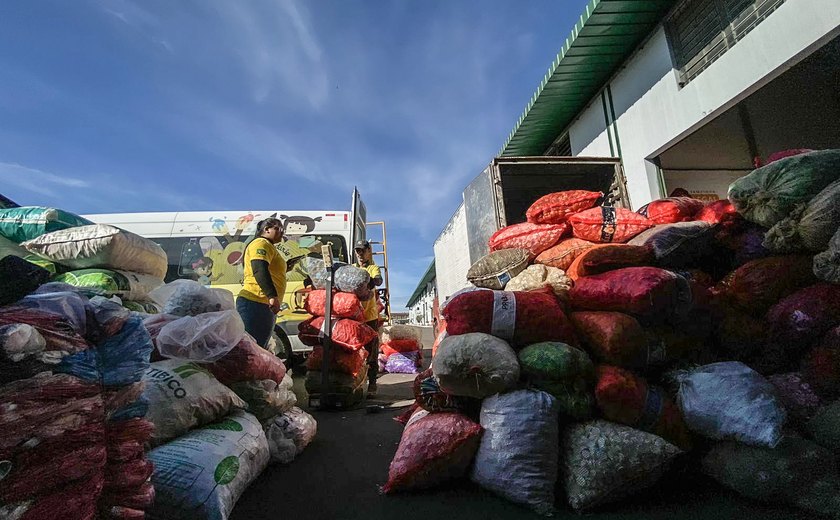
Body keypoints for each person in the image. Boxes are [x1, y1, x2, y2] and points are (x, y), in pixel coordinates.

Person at [236, 218, 286, 349]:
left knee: (257, 349)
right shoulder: (261, 243)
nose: (282, 232)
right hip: (255, 302)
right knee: (251, 349)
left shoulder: (269, 247)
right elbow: (259, 269)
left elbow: (267, 268)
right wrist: (272, 296)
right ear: (267, 229)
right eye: (279, 228)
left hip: (262, 304)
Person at [355, 239, 383, 396]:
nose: (359, 254)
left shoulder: (373, 268)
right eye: (357, 251)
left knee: (371, 350)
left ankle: (372, 383)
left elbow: (378, 279)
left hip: (369, 316)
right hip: (354, 316)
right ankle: (357, 382)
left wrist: (370, 282)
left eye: (362, 251)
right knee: (355, 351)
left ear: (368, 252)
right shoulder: (352, 268)